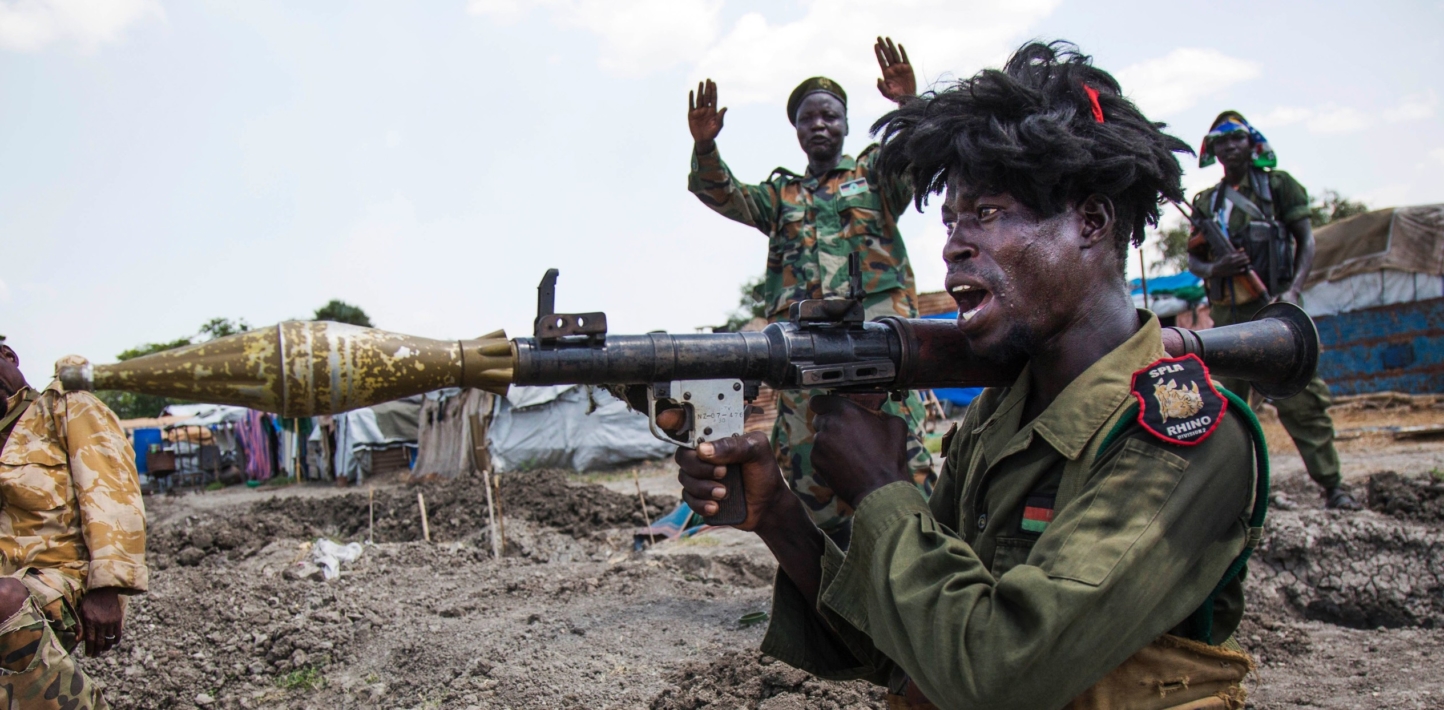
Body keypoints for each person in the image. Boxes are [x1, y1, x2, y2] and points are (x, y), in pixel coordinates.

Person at [671, 42, 1267, 708]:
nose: (952, 242)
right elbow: (906, 644)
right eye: (951, 219)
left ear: (1091, 222)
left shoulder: (1177, 440)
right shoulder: (1000, 417)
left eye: (986, 214)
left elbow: (998, 674)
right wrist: (777, 514)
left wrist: (882, 488)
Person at [686, 37, 934, 544]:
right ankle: (828, 569)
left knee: (898, 449)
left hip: (879, 348)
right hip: (804, 355)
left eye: (830, 116)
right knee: (803, 460)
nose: (820, 125)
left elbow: (923, 156)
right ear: (796, 130)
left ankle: (919, 554)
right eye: (808, 118)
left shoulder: (876, 178)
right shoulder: (781, 196)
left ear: (845, 124)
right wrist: (706, 145)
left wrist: (911, 107)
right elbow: (723, 193)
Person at [1187, 111, 1356, 510]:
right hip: (1228, 317)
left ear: (1252, 144)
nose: (1229, 146)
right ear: (1213, 151)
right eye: (1220, 141)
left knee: (1302, 399)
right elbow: (1195, 261)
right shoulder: (1206, 202)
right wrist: (1216, 269)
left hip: (1274, 309)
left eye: (1237, 138)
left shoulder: (1278, 187)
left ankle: (1333, 486)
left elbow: (1306, 242)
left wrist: (1293, 291)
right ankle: (1237, 497)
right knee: (1226, 407)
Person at [0, 336, 149, 708]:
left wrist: (107, 588)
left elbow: (112, 489)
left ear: (8, 356)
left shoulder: (64, 404)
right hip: (11, 581)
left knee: (3, 598)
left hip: (67, 580)